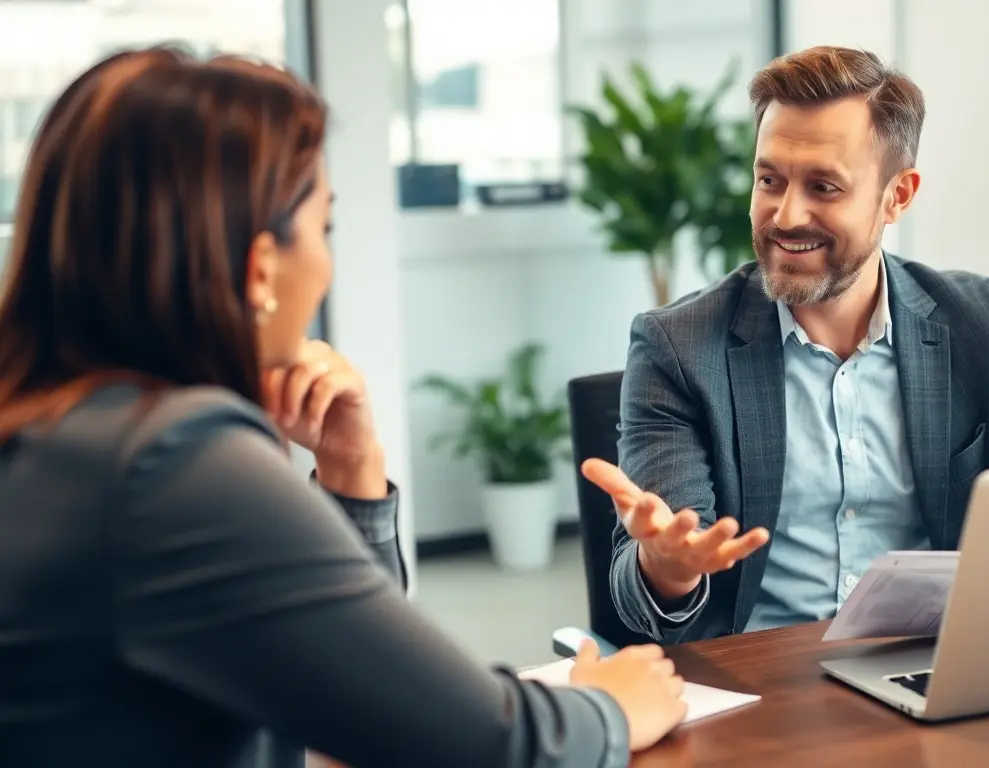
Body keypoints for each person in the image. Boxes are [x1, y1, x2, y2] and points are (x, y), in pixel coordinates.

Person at [0, 47, 686, 768]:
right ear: (260, 266)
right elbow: (478, 741)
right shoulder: (173, 464)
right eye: (324, 228)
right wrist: (613, 703)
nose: (326, 264)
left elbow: (356, 688)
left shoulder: (59, 434)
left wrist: (350, 466)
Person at [582, 46, 989, 646]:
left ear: (898, 195)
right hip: (762, 687)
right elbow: (649, 580)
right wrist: (668, 566)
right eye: (769, 180)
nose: (786, 215)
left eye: (823, 187)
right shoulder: (678, 347)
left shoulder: (984, 322)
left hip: (939, 664)